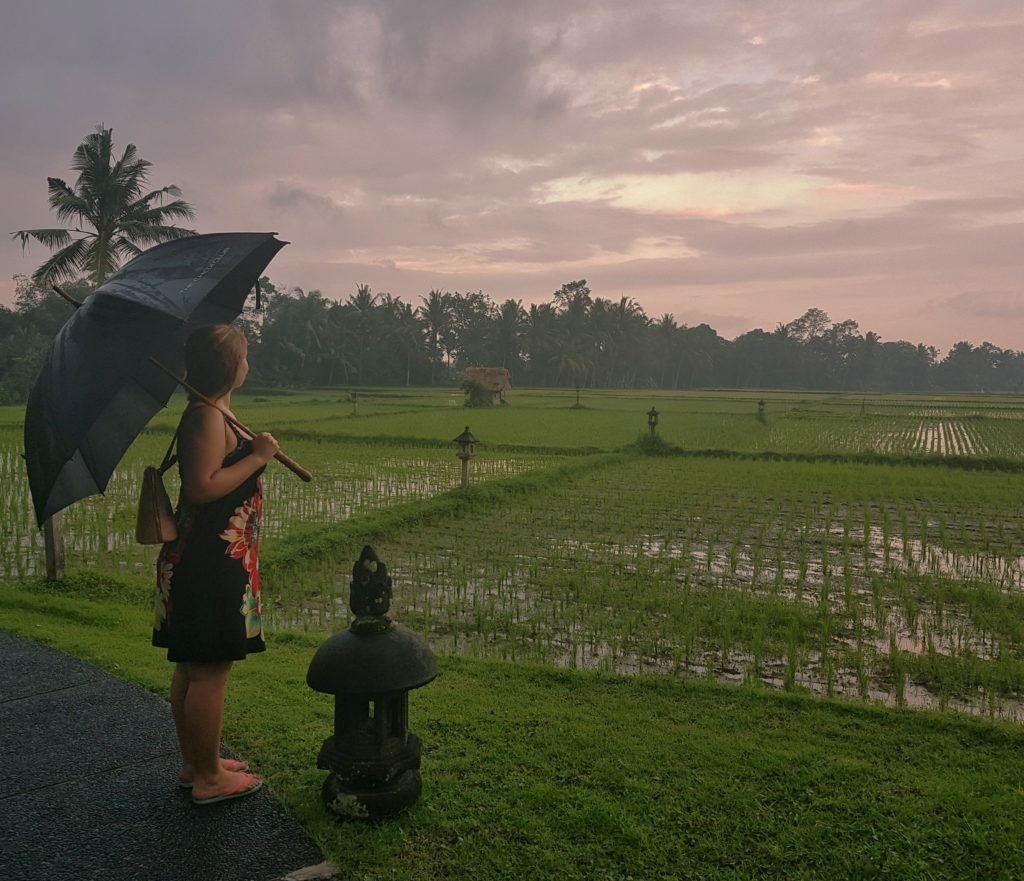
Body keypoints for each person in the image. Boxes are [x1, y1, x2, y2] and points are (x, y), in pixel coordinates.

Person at [152, 324, 279, 805]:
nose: (248, 364)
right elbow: (203, 487)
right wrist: (259, 457)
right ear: (231, 367)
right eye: (244, 357)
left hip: (211, 556)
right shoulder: (206, 415)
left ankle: (197, 763)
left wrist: (251, 444)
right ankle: (208, 778)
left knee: (194, 665)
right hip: (209, 561)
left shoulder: (214, 411)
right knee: (208, 670)